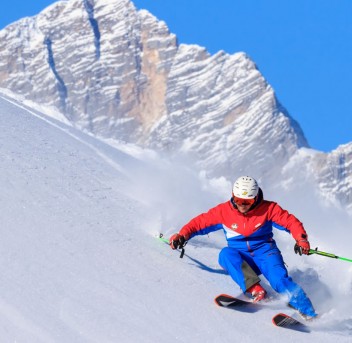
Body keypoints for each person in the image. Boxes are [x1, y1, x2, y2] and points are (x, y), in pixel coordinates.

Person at [169, 176, 317, 318]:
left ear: (256, 197)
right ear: (233, 196)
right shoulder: (223, 212)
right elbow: (199, 223)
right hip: (243, 258)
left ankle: (308, 313)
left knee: (279, 280)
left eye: (248, 201)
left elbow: (291, 222)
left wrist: (301, 240)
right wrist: (182, 235)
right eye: (239, 200)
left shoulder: (269, 209)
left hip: (266, 254)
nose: (242, 205)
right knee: (226, 254)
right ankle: (256, 290)